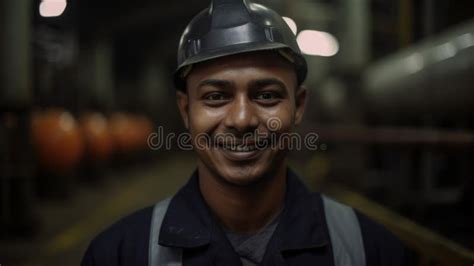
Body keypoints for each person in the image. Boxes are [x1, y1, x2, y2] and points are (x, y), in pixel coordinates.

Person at [81, 0, 411, 265]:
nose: (241, 119)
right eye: (216, 97)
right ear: (186, 110)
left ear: (298, 106)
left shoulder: (373, 252)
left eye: (266, 95)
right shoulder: (120, 254)